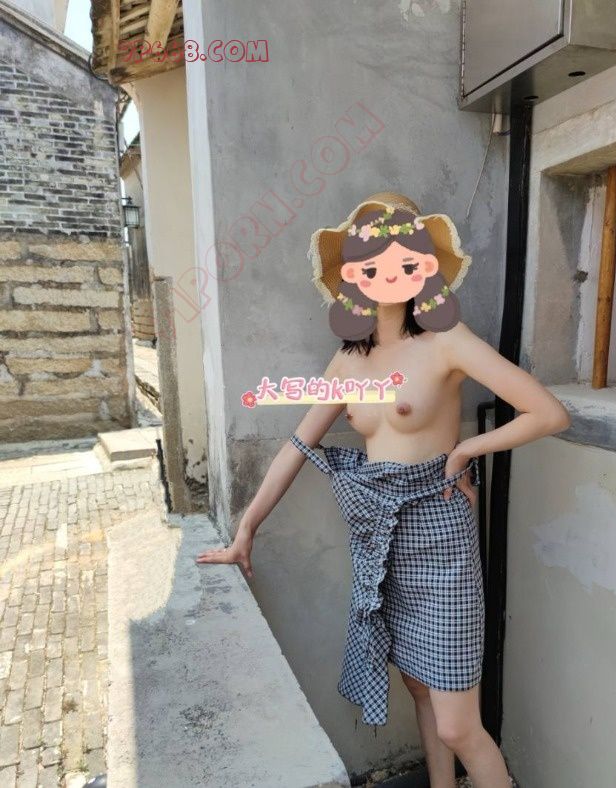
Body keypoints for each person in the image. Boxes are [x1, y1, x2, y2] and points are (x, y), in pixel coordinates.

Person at [196, 193, 571, 788]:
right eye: (371, 264)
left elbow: (547, 413)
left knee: (459, 726)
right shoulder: (349, 359)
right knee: (418, 689)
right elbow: (298, 446)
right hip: (379, 543)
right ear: (353, 275)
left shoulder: (448, 341)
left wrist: (468, 449)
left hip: (441, 540)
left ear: (424, 264)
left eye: (402, 259)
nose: (387, 275)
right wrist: (247, 529)